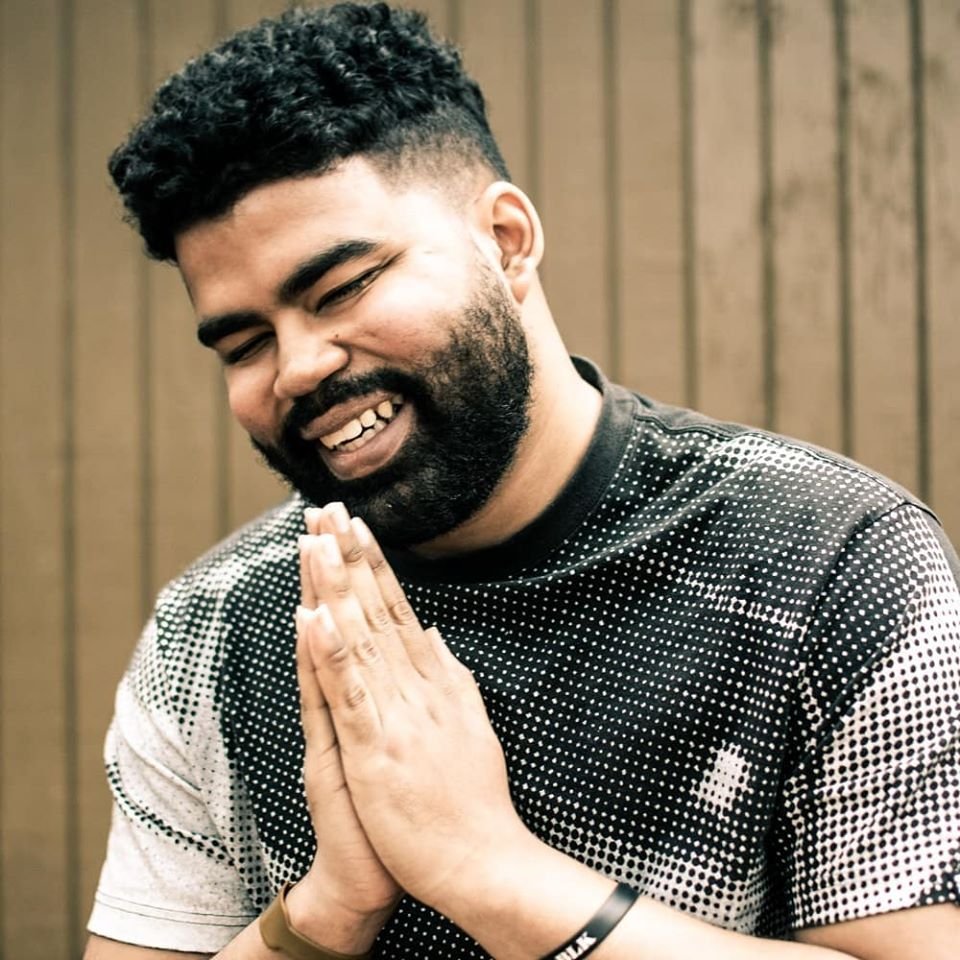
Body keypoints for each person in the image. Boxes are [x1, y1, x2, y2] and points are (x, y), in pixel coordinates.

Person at [85, 3, 959, 958]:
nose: (295, 368)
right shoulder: (216, 627)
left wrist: (494, 877)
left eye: (338, 290)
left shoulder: (831, 562)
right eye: (244, 342)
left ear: (506, 241)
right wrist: (324, 913)